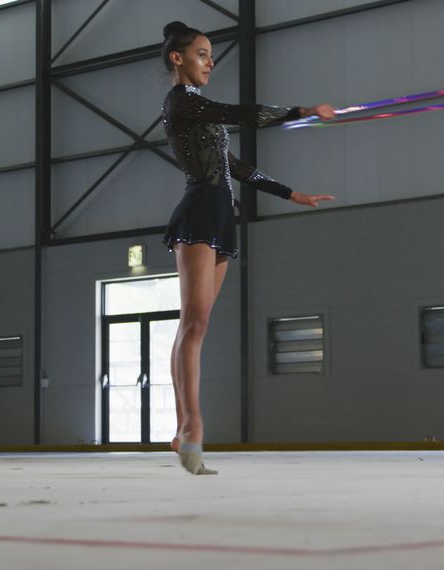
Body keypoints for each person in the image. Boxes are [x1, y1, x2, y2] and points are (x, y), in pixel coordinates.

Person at [159, 21, 336, 474]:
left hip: (222, 215)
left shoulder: (201, 110)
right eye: (201, 53)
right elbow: (242, 112)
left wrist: (290, 193)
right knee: (193, 322)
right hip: (199, 211)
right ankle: (192, 424)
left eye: (211, 54)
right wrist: (301, 110)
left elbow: (234, 166)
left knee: (197, 324)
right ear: (178, 58)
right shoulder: (182, 101)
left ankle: (183, 430)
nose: (210, 61)